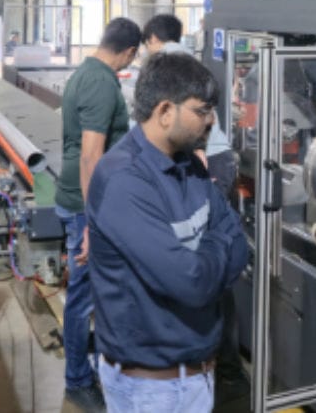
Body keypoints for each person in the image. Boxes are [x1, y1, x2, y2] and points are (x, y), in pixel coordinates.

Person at [87, 52, 248, 413]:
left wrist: (207, 257)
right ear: (164, 112)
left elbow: (239, 243)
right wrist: (215, 249)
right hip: (150, 389)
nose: (211, 122)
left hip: (194, 375)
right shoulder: (125, 182)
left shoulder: (188, 164)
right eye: (202, 110)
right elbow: (190, 283)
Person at [54, 17, 142, 411]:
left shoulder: (85, 71)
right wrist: (93, 221)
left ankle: (87, 364)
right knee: (84, 296)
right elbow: (92, 154)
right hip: (86, 204)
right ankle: (77, 379)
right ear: (129, 52)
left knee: (88, 292)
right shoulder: (103, 83)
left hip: (83, 197)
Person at [141, 14, 236, 195]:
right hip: (217, 155)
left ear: (152, 38)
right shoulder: (191, 61)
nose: (147, 51)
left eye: (147, 45)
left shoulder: (165, 64)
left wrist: (197, 149)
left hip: (206, 157)